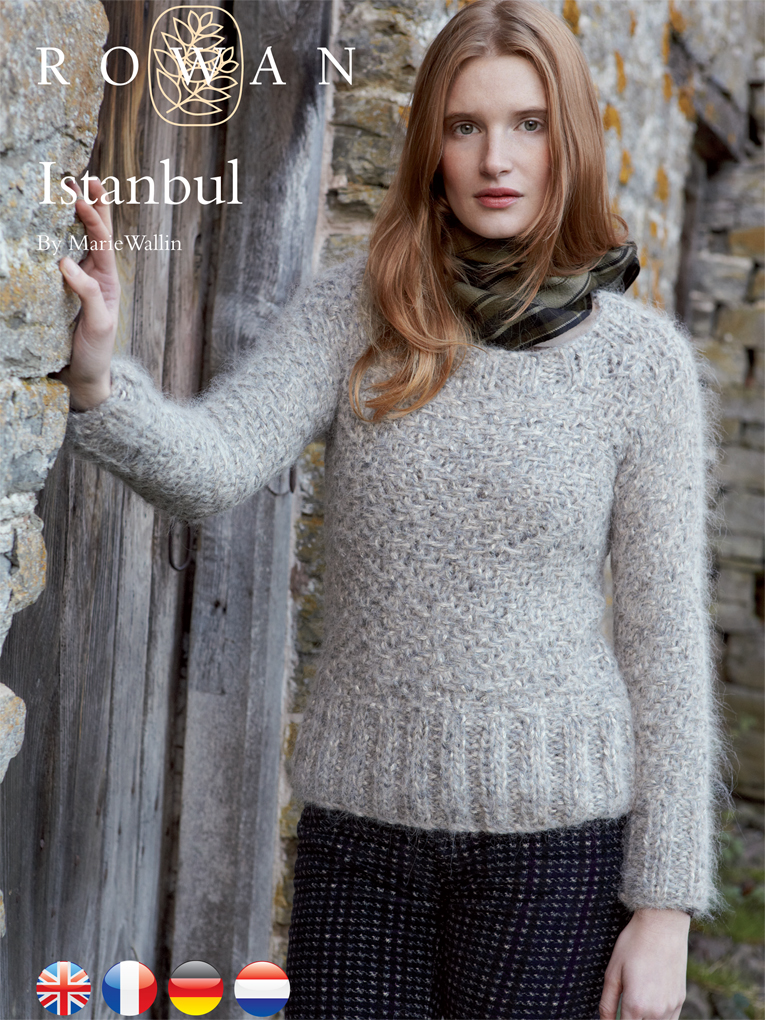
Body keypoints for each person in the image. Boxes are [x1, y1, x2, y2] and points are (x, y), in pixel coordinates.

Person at [56, 1, 730, 1017]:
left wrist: (664, 907)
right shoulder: (360, 308)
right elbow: (217, 462)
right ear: (430, 149)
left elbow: (664, 638)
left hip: (556, 854)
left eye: (528, 124)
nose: (495, 158)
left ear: (570, 140)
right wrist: (100, 377)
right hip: (362, 845)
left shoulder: (640, 367)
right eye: (464, 126)